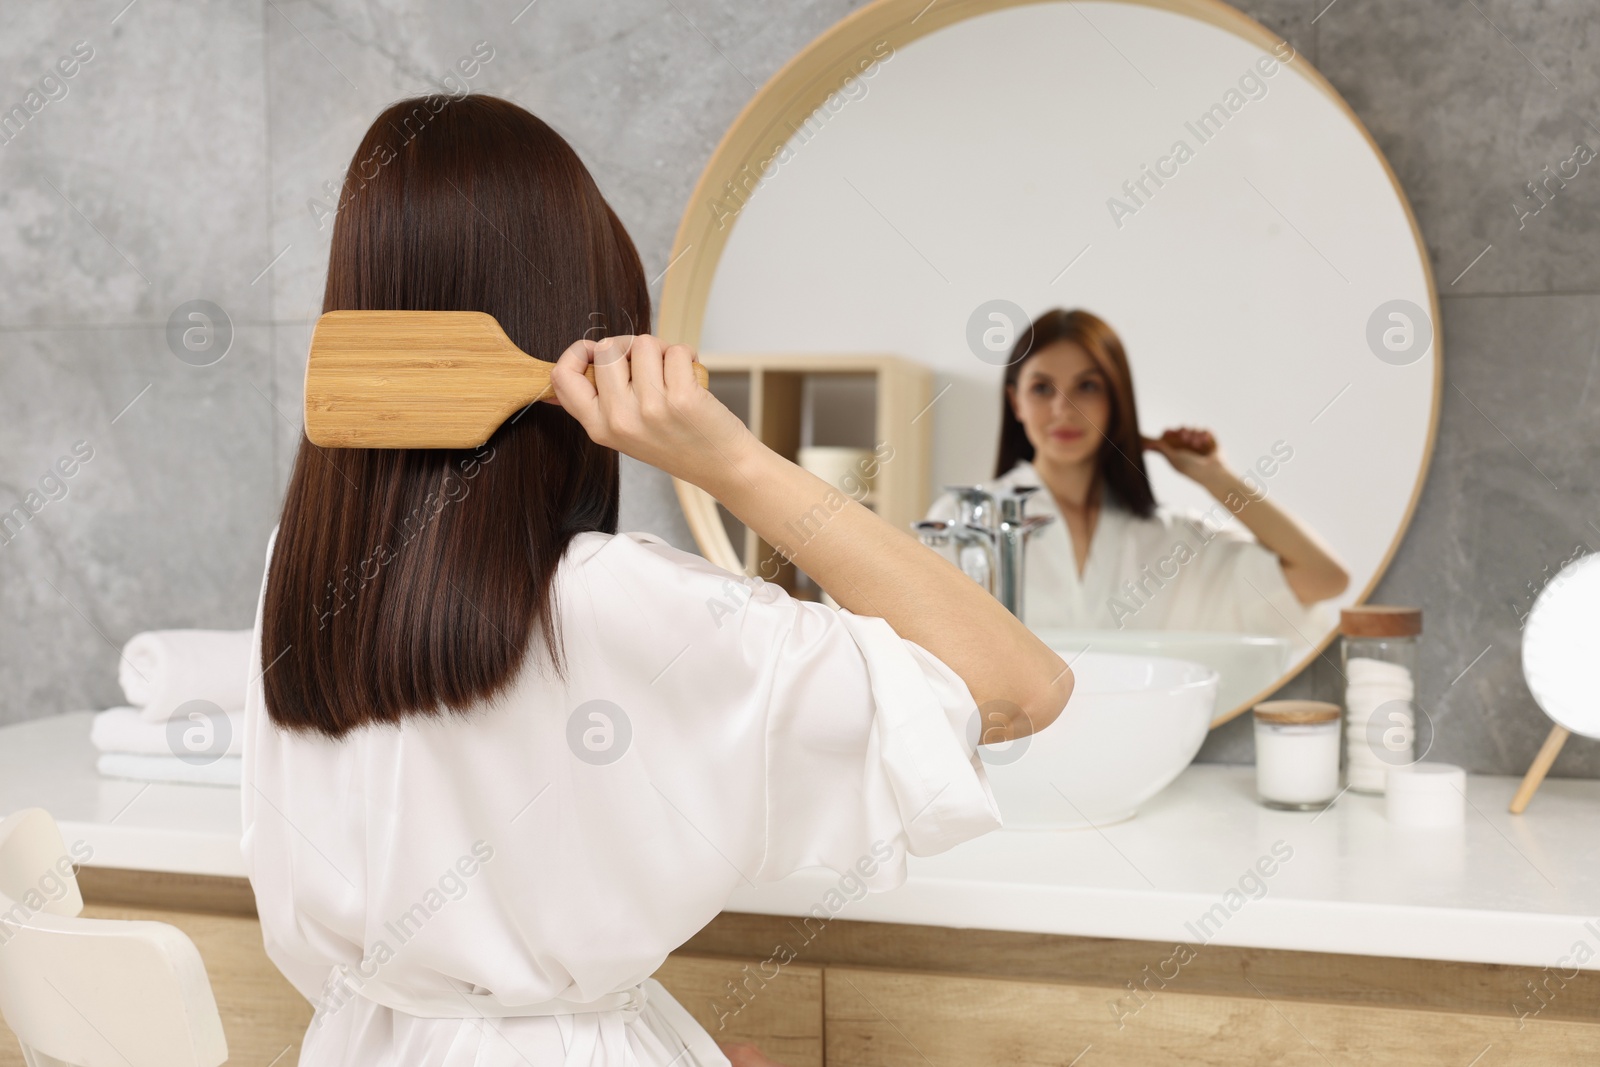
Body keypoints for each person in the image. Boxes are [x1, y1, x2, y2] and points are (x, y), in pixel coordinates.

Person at [241, 94, 1072, 1067]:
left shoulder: (292, 578)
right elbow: (1019, 685)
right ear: (588, 311)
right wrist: (734, 462)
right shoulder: (626, 601)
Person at [926, 308, 1348, 647]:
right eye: (1042, 388)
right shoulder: (965, 522)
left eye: (1087, 386)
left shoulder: (1174, 544)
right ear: (1014, 402)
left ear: (1117, 400)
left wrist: (1215, 477)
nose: (1063, 409)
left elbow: (1324, 576)